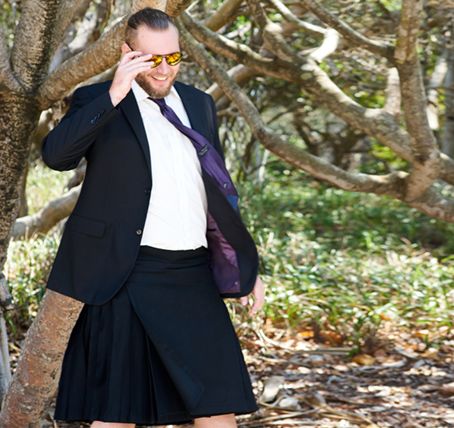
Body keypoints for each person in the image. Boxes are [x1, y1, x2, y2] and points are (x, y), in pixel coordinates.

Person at [41, 7, 265, 428]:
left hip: (191, 274)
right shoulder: (97, 100)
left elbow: (214, 192)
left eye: (173, 58)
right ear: (128, 53)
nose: (164, 70)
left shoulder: (199, 105)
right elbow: (56, 156)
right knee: (117, 413)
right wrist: (115, 92)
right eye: (152, 59)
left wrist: (244, 265)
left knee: (218, 404)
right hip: (126, 271)